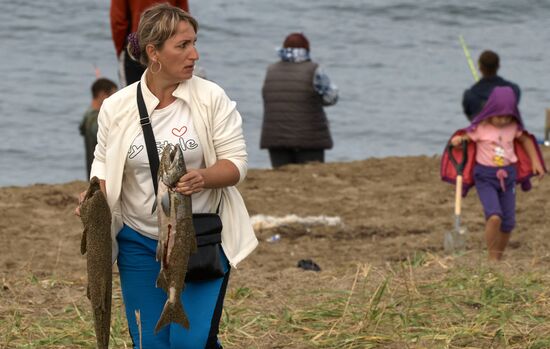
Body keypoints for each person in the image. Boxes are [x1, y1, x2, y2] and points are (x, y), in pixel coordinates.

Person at [78, 4, 258, 348]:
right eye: (183, 45)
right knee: (151, 342)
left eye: (194, 43)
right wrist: (92, 198)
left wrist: (203, 177)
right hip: (138, 241)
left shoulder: (210, 97)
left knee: (190, 343)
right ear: (153, 52)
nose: (195, 54)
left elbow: (236, 164)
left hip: (200, 238)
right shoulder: (117, 106)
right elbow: (102, 165)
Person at [450, 86, 544, 261]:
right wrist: (458, 140)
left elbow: (525, 140)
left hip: (508, 177)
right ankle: (492, 258)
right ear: (491, 110)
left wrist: (536, 162)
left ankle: (498, 257)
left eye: (507, 116)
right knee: (494, 217)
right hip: (485, 177)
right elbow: (467, 138)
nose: (502, 120)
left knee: (508, 223)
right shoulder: (481, 127)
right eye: (499, 116)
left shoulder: (512, 126)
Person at [260, 32, 338, 168]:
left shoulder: (270, 70)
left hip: (276, 138)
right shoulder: (314, 70)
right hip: (309, 139)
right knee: (310, 181)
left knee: (281, 179)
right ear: (307, 49)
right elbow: (331, 98)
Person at [110, 0, 189, 87]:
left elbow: (118, 21)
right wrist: (182, 47)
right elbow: (184, 17)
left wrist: (122, 51)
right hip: (169, 46)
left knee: (132, 95)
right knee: (172, 94)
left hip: (137, 46)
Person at [462, 50, 521, 121]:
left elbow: (471, 118)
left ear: (480, 67)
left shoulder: (470, 95)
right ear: (498, 66)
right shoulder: (514, 90)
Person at [79, 78, 117, 178]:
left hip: (94, 171)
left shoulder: (88, 115)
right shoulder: (96, 119)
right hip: (101, 173)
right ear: (102, 95)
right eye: (114, 95)